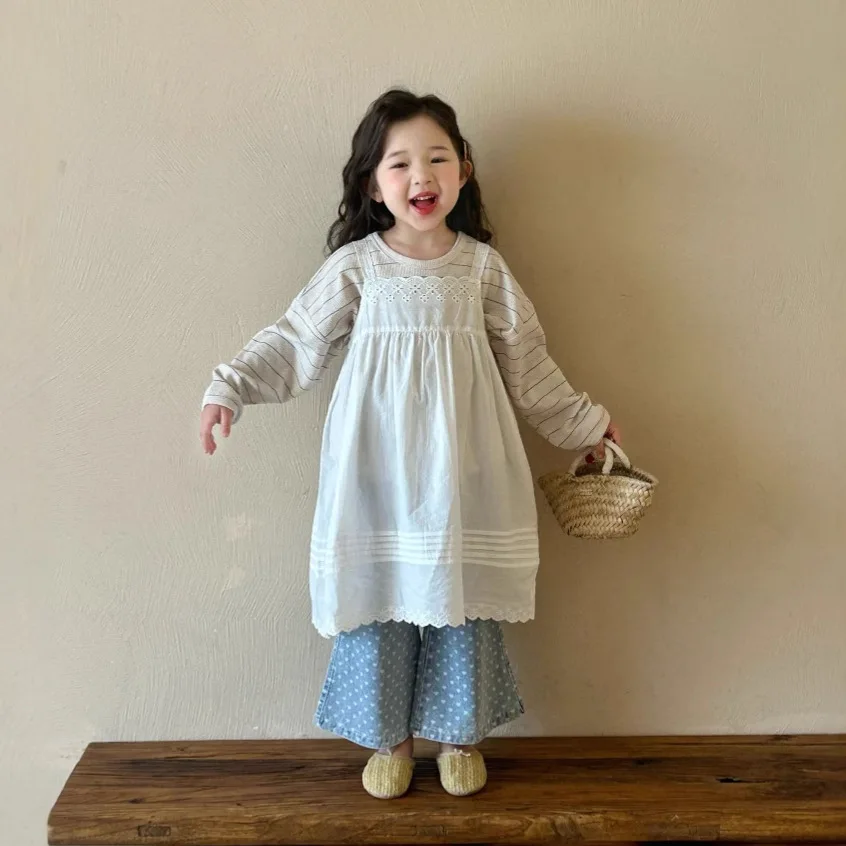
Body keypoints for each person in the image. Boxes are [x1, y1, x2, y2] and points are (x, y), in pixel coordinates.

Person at [200, 88, 620, 799]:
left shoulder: (482, 269)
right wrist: (230, 386)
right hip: (376, 472)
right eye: (399, 163)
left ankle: (458, 737)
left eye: (437, 159)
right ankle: (389, 742)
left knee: (460, 600)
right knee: (380, 598)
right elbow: (296, 339)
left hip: (465, 471)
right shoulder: (358, 267)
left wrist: (585, 426)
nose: (420, 176)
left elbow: (528, 364)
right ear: (373, 184)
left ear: (463, 172)